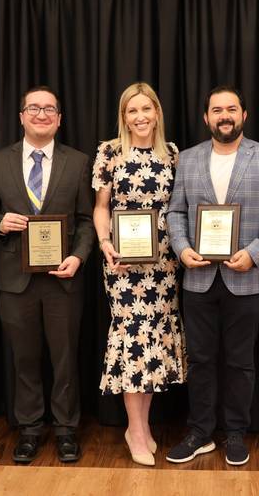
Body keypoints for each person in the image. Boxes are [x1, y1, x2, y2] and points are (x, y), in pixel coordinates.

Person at [165, 86, 259, 466]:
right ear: (206, 117)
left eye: (232, 109)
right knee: (201, 359)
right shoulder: (188, 159)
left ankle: (236, 433)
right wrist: (181, 246)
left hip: (246, 277)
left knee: (240, 361)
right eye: (217, 110)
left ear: (244, 115)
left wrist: (254, 255)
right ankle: (200, 431)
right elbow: (176, 213)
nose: (225, 115)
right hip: (199, 277)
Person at [0, 86, 94, 464]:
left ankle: (65, 429)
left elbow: (85, 221)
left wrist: (78, 258)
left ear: (59, 119)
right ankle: (29, 428)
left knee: (65, 359)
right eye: (34, 108)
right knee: (23, 359)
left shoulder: (78, 162)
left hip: (63, 279)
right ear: (22, 116)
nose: (42, 114)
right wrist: (0, 223)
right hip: (16, 280)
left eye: (50, 109)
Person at [92, 82, 186, 466]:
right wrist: (105, 242)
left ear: (157, 113)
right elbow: (101, 206)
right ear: (124, 116)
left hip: (164, 265)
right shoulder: (109, 152)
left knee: (154, 344)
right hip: (123, 265)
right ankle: (135, 428)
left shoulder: (173, 154)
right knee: (133, 341)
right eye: (133, 111)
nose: (140, 117)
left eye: (146, 109)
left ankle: (141, 427)